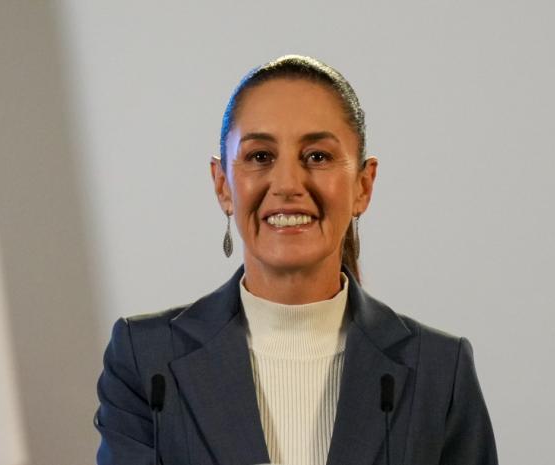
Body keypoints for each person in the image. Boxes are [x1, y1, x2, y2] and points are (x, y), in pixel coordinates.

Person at [94, 55, 497, 465]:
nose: (287, 184)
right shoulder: (145, 360)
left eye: (317, 157)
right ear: (222, 185)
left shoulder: (439, 371)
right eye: (260, 157)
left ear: (363, 184)